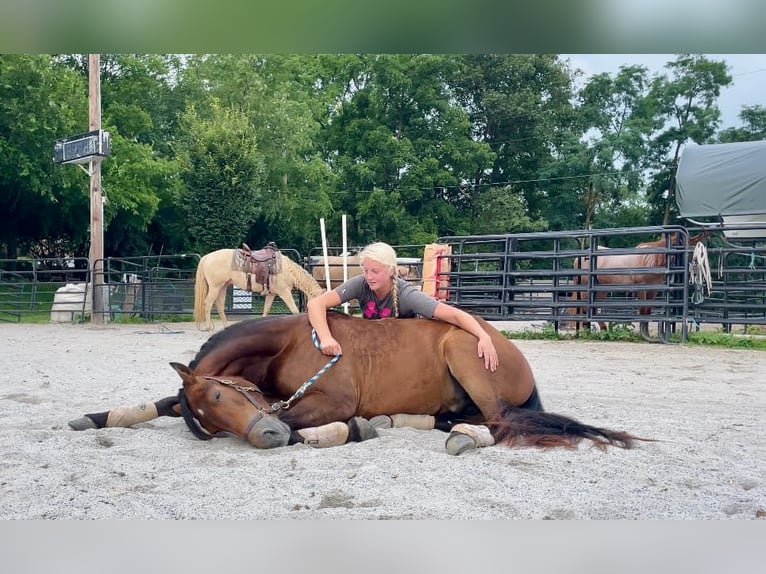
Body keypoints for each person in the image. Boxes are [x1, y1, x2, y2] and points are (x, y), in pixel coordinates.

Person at [307, 241, 499, 371]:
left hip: (401, 352)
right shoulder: (360, 284)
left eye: (375, 271)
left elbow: (453, 314)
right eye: (366, 271)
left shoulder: (407, 295)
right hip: (375, 346)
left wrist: (483, 335)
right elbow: (316, 304)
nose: (369, 276)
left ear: (391, 270)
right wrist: (325, 338)